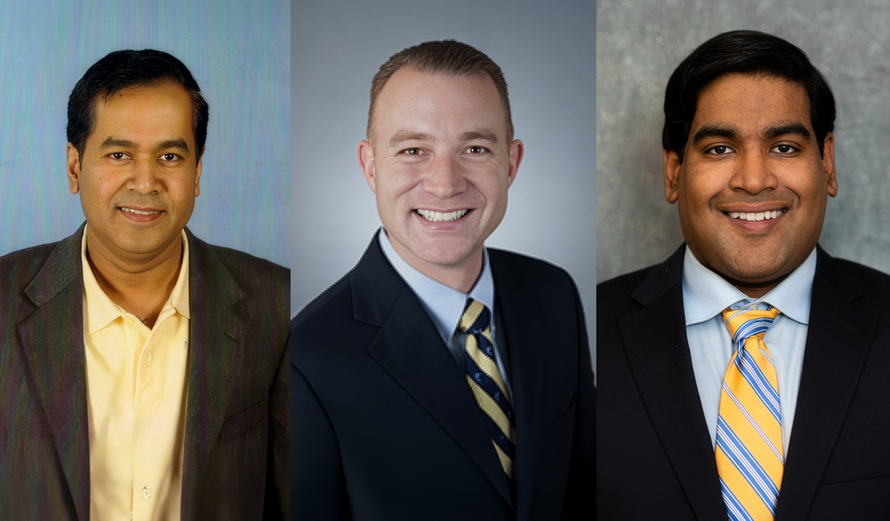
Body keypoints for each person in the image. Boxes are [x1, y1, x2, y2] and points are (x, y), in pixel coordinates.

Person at [291, 40, 594, 519]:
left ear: (510, 164)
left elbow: (582, 487)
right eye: (414, 149)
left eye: (474, 148)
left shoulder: (554, 293)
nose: (445, 182)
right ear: (371, 167)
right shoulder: (306, 360)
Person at [597, 30, 890, 520]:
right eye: (718, 149)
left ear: (827, 162)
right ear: (673, 172)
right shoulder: (584, 328)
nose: (754, 180)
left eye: (784, 147)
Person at [0, 50, 289, 520]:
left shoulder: (277, 305)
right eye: (119, 154)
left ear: (196, 173)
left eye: (170, 156)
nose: (145, 180)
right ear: (75, 168)